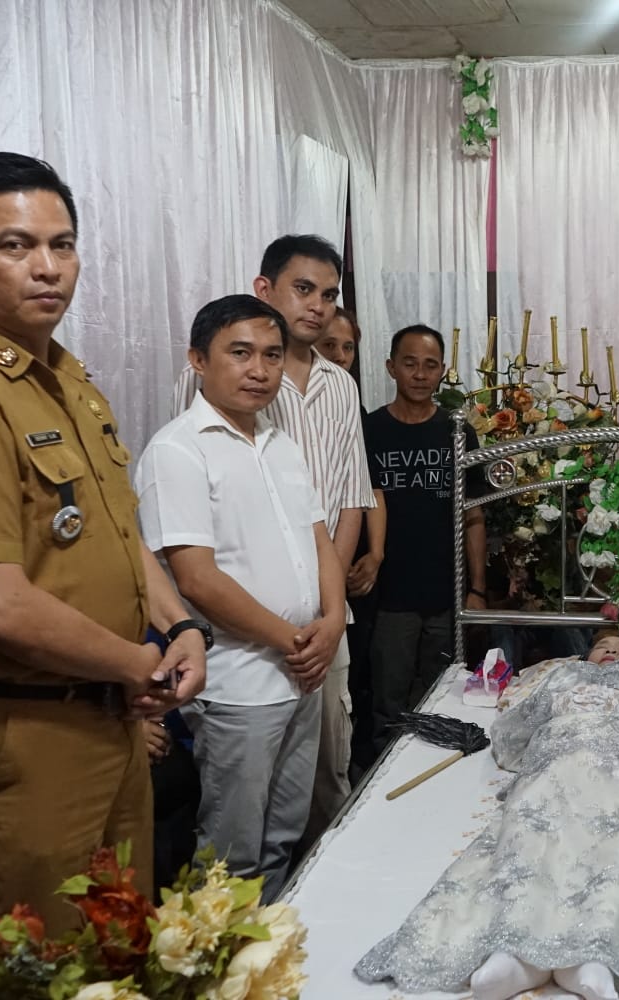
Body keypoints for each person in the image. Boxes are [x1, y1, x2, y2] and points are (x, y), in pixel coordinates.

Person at [0, 152, 206, 928]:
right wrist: (137, 664)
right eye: (15, 245)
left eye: (62, 245)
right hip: (21, 734)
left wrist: (182, 627)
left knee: (122, 943)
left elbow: (119, 537)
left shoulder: (69, 386)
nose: (48, 268)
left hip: (110, 718)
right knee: (41, 959)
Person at [355, 633, 619, 1000]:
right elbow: (509, 736)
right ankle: (512, 951)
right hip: (555, 764)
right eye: (602, 646)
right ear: (584, 658)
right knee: (529, 835)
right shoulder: (562, 679)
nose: (611, 650)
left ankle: (596, 954)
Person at [135, 295, 347, 902]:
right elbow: (196, 579)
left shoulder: (280, 444)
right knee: (231, 852)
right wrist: (295, 641)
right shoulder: (178, 450)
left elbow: (318, 538)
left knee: (283, 834)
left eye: (272, 356)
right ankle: (220, 955)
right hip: (241, 682)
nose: (259, 370)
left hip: (303, 672)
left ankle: (269, 946)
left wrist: (333, 620)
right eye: (241, 353)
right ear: (199, 360)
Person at [172, 235, 374, 839]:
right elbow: (203, 508)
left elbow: (348, 498)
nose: (317, 306)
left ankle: (316, 886)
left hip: (326, 617)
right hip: (244, 622)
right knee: (243, 799)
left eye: (329, 295)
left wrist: (329, 613)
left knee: (325, 772)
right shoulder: (227, 376)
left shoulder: (341, 385)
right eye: (303, 289)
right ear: (265, 288)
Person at [364, 324, 487, 753]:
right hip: (389, 595)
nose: (420, 374)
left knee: (441, 695)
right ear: (391, 367)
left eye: (430, 365)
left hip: (445, 593)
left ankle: (431, 776)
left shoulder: (457, 431)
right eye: (410, 364)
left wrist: (477, 589)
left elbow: (474, 515)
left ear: (442, 371)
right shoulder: (370, 429)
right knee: (388, 700)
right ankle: (380, 780)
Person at [315, 307, 388, 775]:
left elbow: (368, 489)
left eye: (349, 348)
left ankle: (352, 762)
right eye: (330, 346)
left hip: (350, 555)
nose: (341, 357)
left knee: (355, 668)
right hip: (310, 562)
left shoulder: (349, 403)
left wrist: (374, 554)